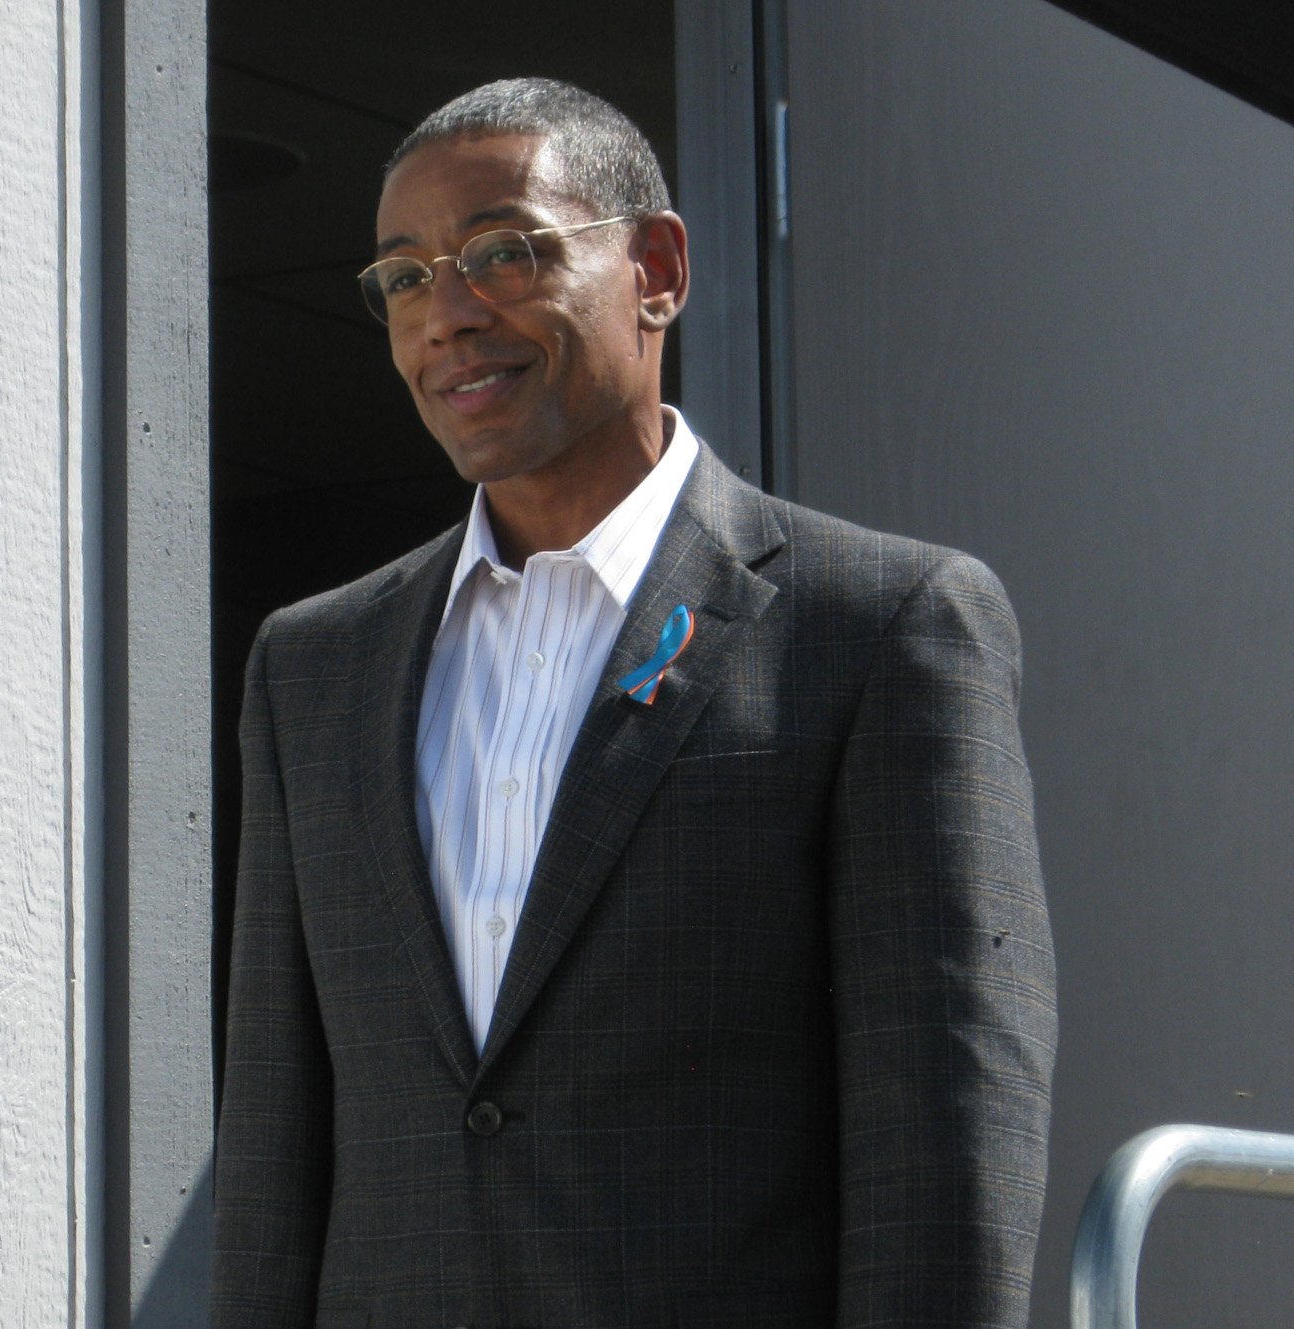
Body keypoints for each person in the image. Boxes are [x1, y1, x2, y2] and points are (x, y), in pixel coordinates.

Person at [212, 77, 1057, 1329]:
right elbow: (278, 1150)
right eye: (402, 276)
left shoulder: (881, 626)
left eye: (503, 252)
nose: (445, 314)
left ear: (653, 268)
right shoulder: (312, 667)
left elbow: (943, 1143)